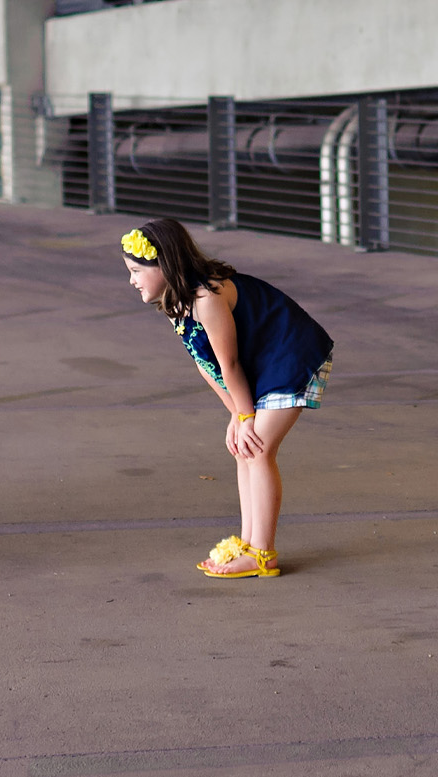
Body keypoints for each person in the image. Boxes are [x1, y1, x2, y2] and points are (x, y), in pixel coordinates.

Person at [122, 220, 335, 578]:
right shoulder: (175, 302)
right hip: (261, 364)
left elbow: (230, 363)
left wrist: (246, 417)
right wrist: (237, 414)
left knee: (258, 449)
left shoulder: (207, 298)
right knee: (243, 448)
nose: (131, 280)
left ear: (165, 266)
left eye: (136, 271)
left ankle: (262, 554)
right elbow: (206, 364)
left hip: (291, 355)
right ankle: (248, 544)